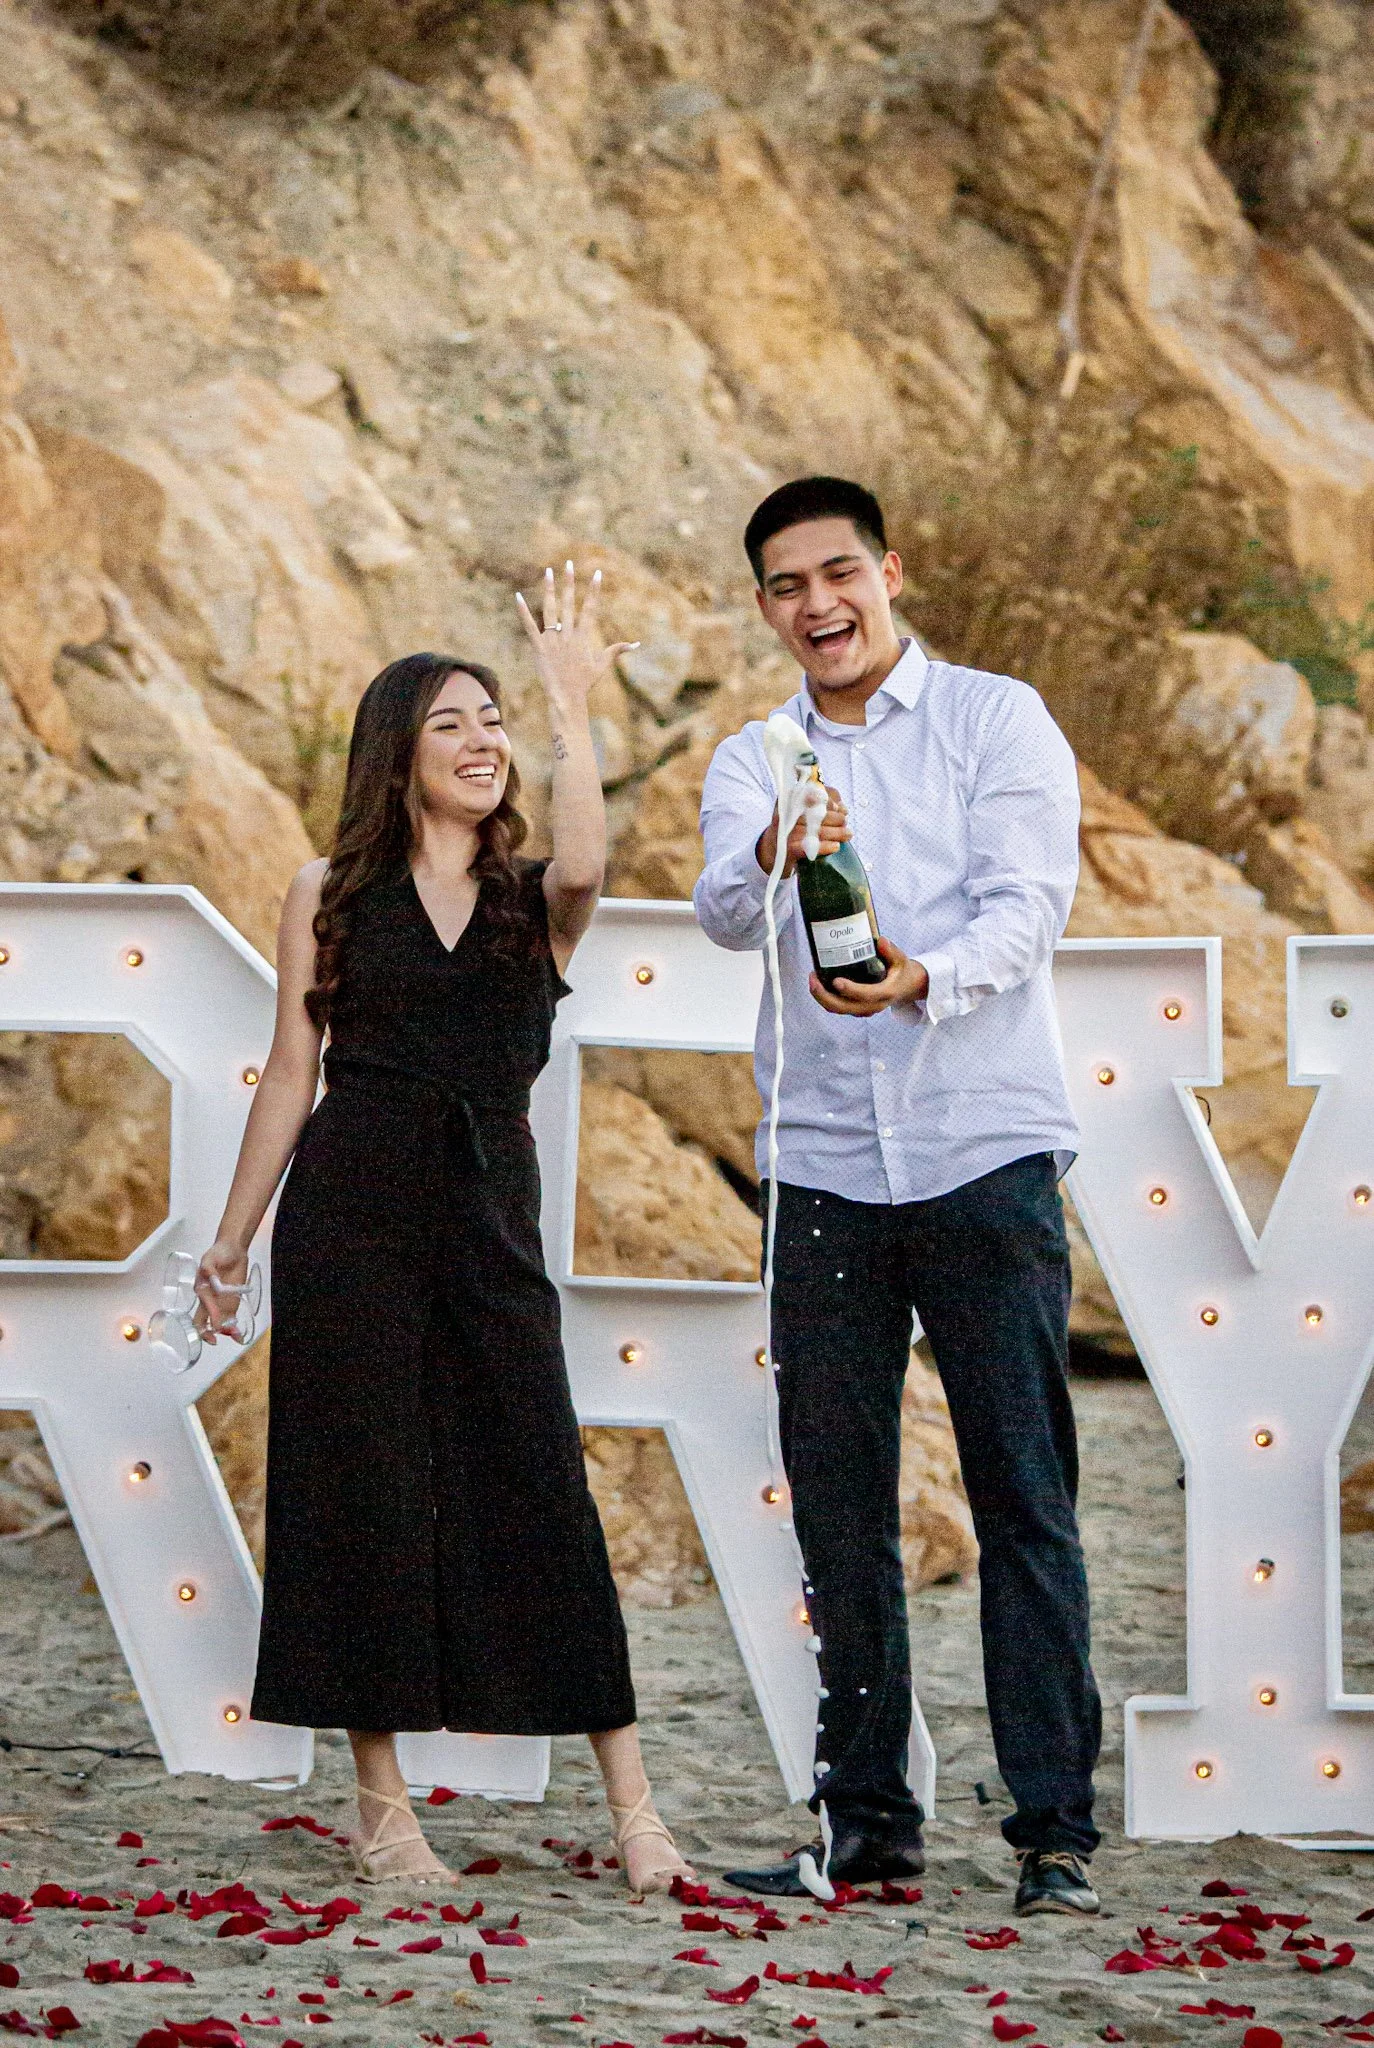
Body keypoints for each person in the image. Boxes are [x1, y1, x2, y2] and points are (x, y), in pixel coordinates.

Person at [195, 566, 694, 1894]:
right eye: (449, 725)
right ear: (396, 758)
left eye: (492, 723)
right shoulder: (328, 891)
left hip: (486, 1220)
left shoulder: (541, 896)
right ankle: (381, 1809)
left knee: (536, 1482)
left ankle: (634, 1809)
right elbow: (289, 1072)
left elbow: (591, 857)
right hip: (348, 1213)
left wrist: (568, 701)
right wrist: (232, 1243)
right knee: (359, 1499)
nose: (481, 743)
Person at [692, 477, 1101, 1916]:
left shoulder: (999, 718)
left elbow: (1027, 903)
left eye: (839, 573)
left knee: (1020, 1494)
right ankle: (866, 1821)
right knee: (840, 1509)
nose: (818, 604)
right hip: (820, 1168)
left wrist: (922, 979)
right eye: (786, 586)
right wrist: (771, 847)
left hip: (983, 1147)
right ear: (763, 609)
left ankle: (1053, 1829)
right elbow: (724, 908)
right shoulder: (755, 755)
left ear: (889, 573)